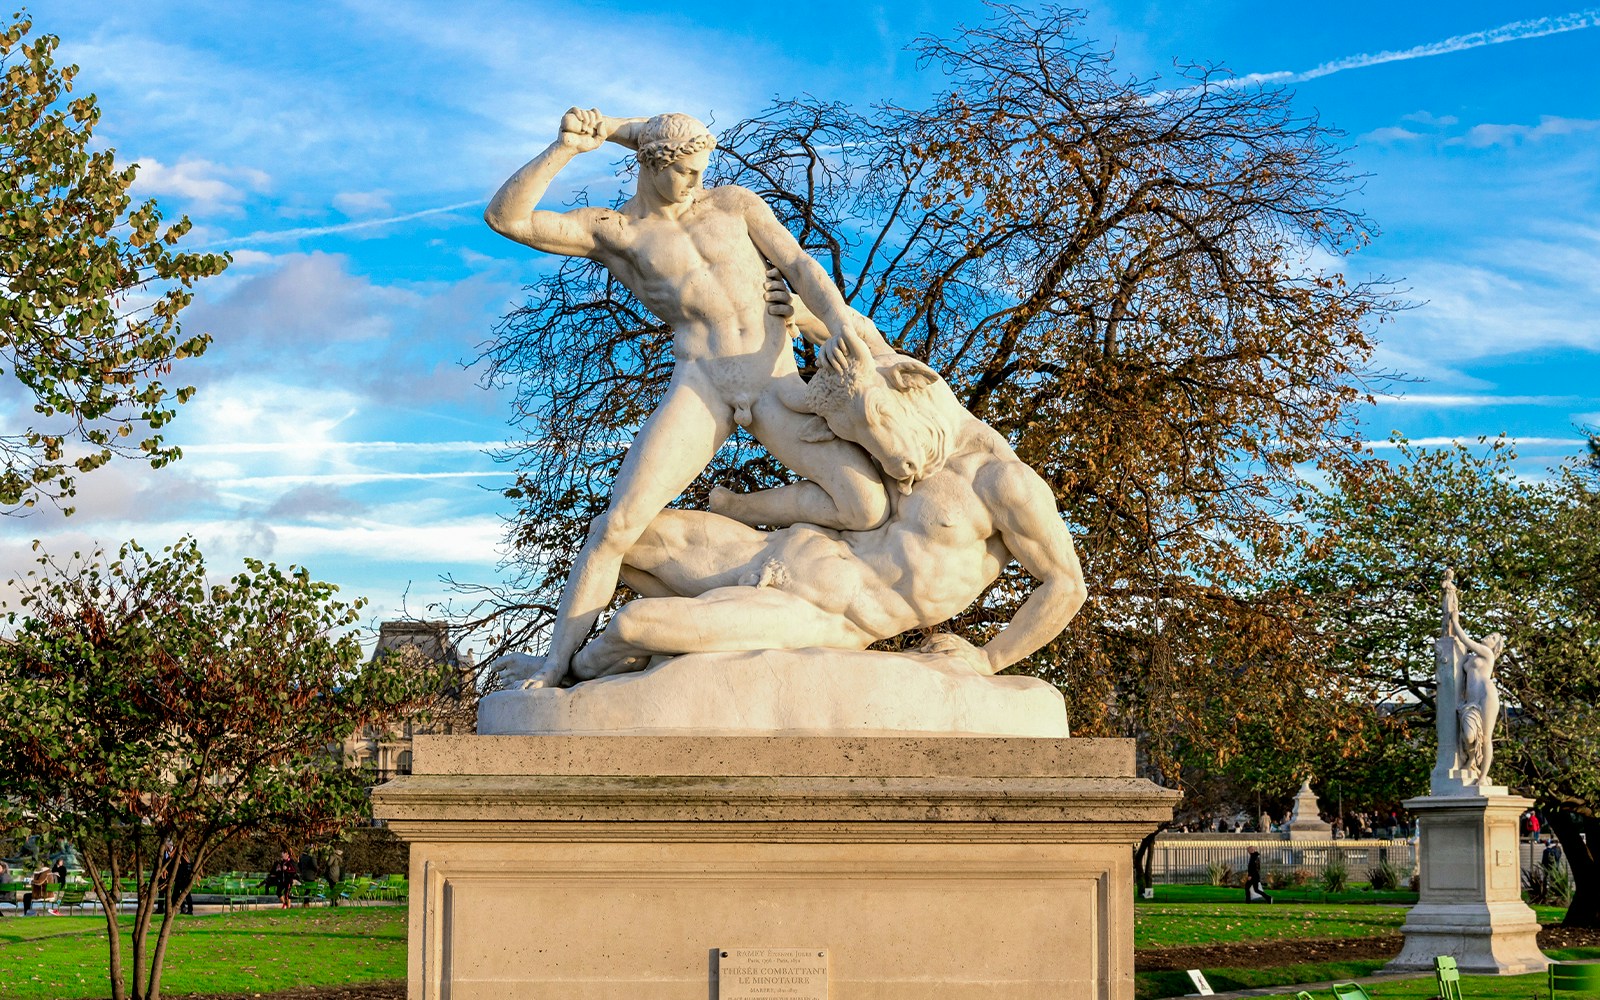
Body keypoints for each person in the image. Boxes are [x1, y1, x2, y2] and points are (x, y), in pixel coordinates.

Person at [484, 108, 892, 688]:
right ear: (651, 167)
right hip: (702, 383)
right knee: (616, 527)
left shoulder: (733, 205)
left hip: (773, 380)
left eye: (703, 170)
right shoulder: (615, 231)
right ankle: (555, 666)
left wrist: (836, 320)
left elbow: (800, 264)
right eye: (685, 172)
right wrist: (567, 149)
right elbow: (507, 218)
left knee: (866, 505)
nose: (697, 183)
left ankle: (739, 514)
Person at [565, 327, 1086, 681]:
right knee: (623, 534)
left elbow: (1066, 584)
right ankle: (643, 652)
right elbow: (853, 332)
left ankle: (575, 673)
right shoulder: (889, 400)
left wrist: (988, 659)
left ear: (913, 386)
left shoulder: (1003, 483)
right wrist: (791, 312)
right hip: (781, 549)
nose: (891, 457)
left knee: (630, 624)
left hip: (824, 612)